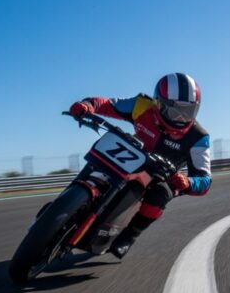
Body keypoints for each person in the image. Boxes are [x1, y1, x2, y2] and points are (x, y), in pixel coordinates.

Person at [67, 72, 212, 258]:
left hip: (164, 174)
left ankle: (130, 235)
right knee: (100, 163)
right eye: (175, 110)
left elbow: (205, 179)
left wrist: (188, 182)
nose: (181, 118)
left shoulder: (199, 137)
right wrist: (88, 105)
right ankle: (69, 202)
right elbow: (108, 104)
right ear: (158, 102)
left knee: (161, 195)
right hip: (132, 153)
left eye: (188, 111)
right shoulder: (141, 105)